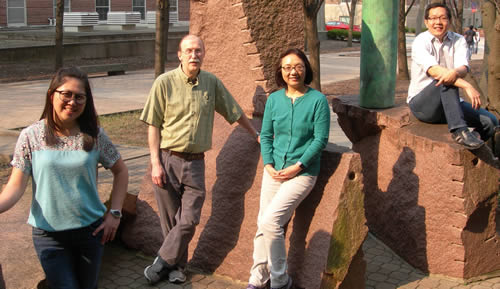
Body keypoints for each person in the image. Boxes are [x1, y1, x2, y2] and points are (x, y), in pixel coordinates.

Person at [140, 34, 259, 285]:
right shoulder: (164, 83)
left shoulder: (211, 83)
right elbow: (153, 125)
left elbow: (234, 110)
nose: (194, 55)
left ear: (203, 54)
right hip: (167, 159)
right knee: (171, 221)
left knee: (189, 219)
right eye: (189, 51)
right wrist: (155, 163)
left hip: (195, 163)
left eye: (198, 51)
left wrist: (254, 134)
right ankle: (177, 269)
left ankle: (161, 261)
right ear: (180, 55)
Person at [0, 67, 129, 289]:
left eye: (79, 97)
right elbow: (16, 186)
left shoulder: (95, 135)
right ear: (52, 95)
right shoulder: (30, 136)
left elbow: (121, 171)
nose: (72, 101)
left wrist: (115, 214)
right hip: (49, 235)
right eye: (66, 94)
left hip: (91, 232)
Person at [246, 48, 330, 289]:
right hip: (274, 170)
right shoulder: (274, 99)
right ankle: (258, 278)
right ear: (280, 72)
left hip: (302, 173)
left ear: (306, 69)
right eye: (287, 67)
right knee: (263, 222)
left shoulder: (317, 100)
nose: (293, 71)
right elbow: (268, 136)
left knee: (271, 222)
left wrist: (298, 165)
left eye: (298, 66)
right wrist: (269, 164)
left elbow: (320, 139)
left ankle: (280, 280)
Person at [408, 3, 498, 150]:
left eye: (443, 18)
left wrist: (455, 73)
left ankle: (473, 145)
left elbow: (463, 67)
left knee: (491, 121)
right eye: (434, 18)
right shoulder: (420, 41)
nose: (438, 22)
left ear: (449, 21)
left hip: (450, 104)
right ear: (426, 22)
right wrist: (467, 85)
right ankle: (459, 131)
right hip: (422, 105)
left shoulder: (459, 40)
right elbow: (435, 72)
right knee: (445, 81)